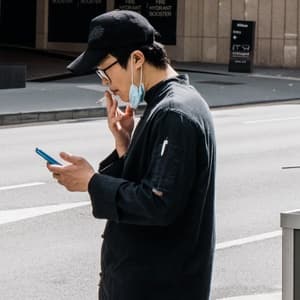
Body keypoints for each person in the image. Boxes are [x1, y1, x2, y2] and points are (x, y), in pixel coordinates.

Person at [47, 10, 216, 300]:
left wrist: (91, 182)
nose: (105, 83)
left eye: (105, 70)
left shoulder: (175, 112)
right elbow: (154, 184)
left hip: (157, 287)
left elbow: (158, 202)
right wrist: (125, 143)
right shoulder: (167, 105)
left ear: (136, 59)